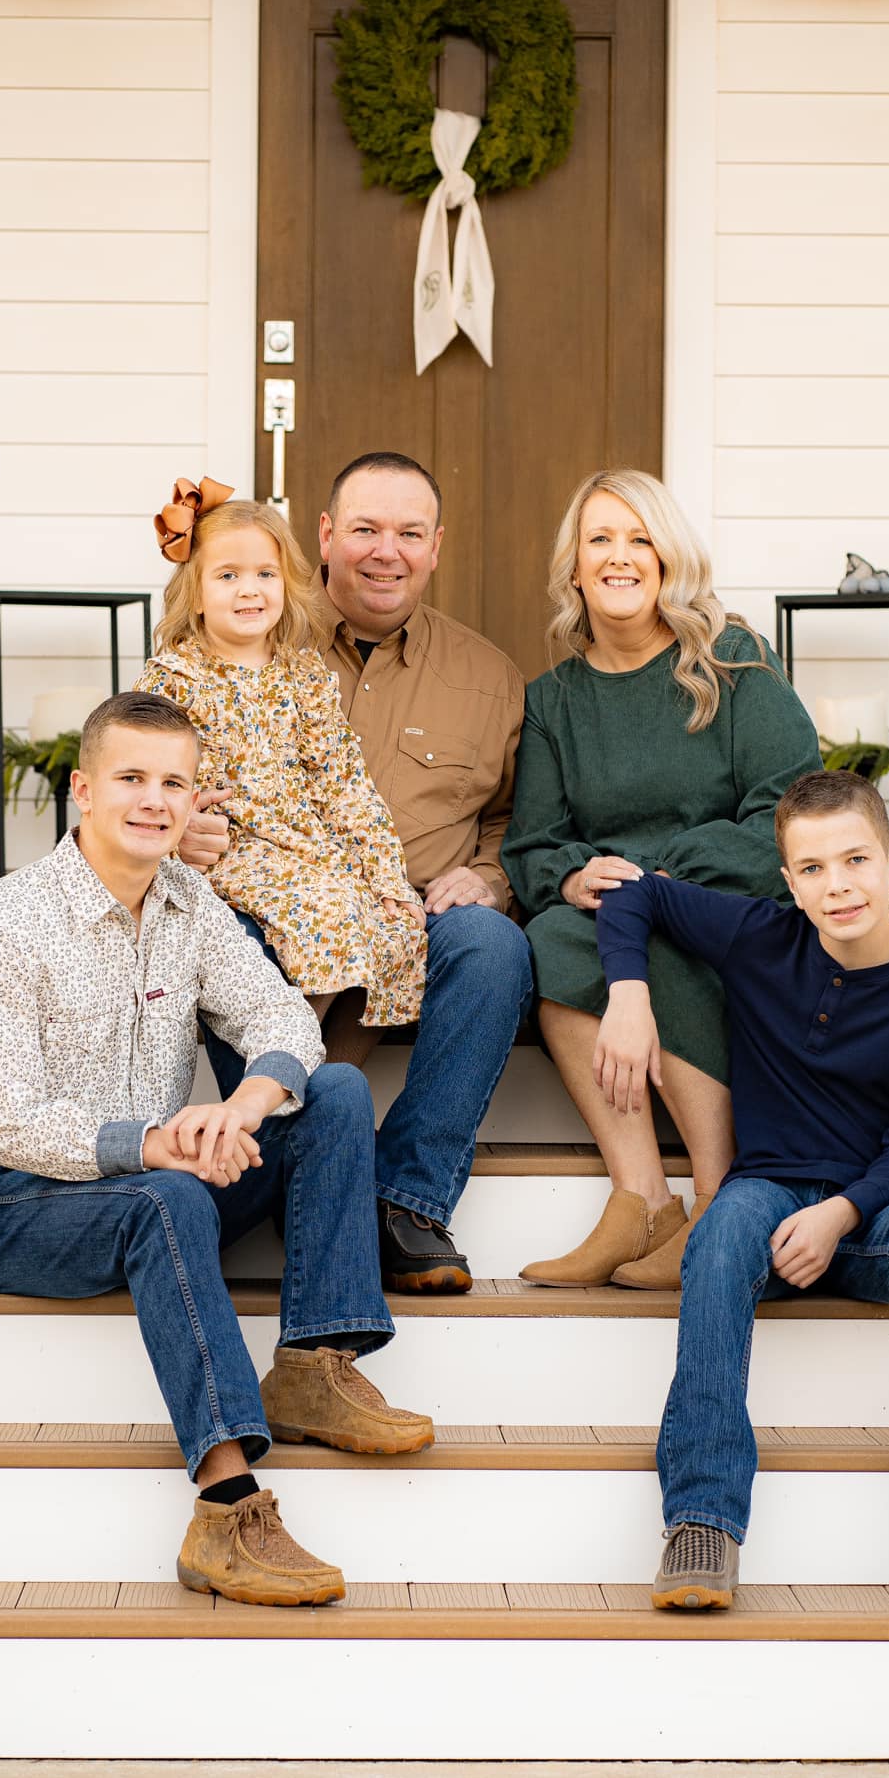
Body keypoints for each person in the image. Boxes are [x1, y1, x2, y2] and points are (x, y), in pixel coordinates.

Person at [0, 689, 433, 1610]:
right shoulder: (5, 924)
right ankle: (227, 1508)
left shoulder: (188, 901)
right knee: (169, 1199)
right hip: (8, 1205)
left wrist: (241, 1107)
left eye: (175, 783)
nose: (154, 801)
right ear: (84, 789)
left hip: (161, 1184)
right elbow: (0, 1117)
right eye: (131, 778)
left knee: (332, 1091)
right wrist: (154, 1145)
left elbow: (283, 1016)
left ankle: (315, 1366)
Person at [595, 767, 889, 1616]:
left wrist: (841, 1211)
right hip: (769, 1200)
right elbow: (635, 897)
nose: (837, 884)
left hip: (878, 1217)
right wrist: (629, 994)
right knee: (722, 1227)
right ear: (789, 883)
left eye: (854, 860)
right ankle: (701, 1519)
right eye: (813, 869)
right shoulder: (760, 937)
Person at [180, 452, 533, 1296]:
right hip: (266, 899)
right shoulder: (252, 638)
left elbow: (513, 821)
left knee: (491, 946)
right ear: (326, 538)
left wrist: (486, 876)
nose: (387, 552)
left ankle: (405, 1199)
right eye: (366, 529)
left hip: (415, 909)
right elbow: (145, 760)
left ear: (436, 546)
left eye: (409, 533)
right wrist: (177, 826)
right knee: (229, 940)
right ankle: (288, 1166)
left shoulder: (488, 678)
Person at [502, 468, 820, 1291]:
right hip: (611, 923)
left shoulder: (733, 661)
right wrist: (572, 879)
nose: (619, 557)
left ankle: (719, 1195)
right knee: (550, 936)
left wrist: (666, 877)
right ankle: (641, 1198)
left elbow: (790, 809)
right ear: (573, 566)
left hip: (729, 896)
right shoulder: (553, 701)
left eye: (640, 538)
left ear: (669, 558)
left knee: (667, 931)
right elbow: (533, 844)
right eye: (599, 539)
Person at [136, 484, 427, 1048]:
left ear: (287, 586)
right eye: (227, 576)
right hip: (233, 848)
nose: (249, 590)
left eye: (265, 574)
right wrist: (181, 825)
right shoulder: (174, 679)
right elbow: (151, 777)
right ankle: (286, 1044)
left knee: (393, 923)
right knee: (329, 909)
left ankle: (306, 1059)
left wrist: (387, 878)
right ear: (194, 594)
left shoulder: (304, 675)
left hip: (307, 846)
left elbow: (345, 784)